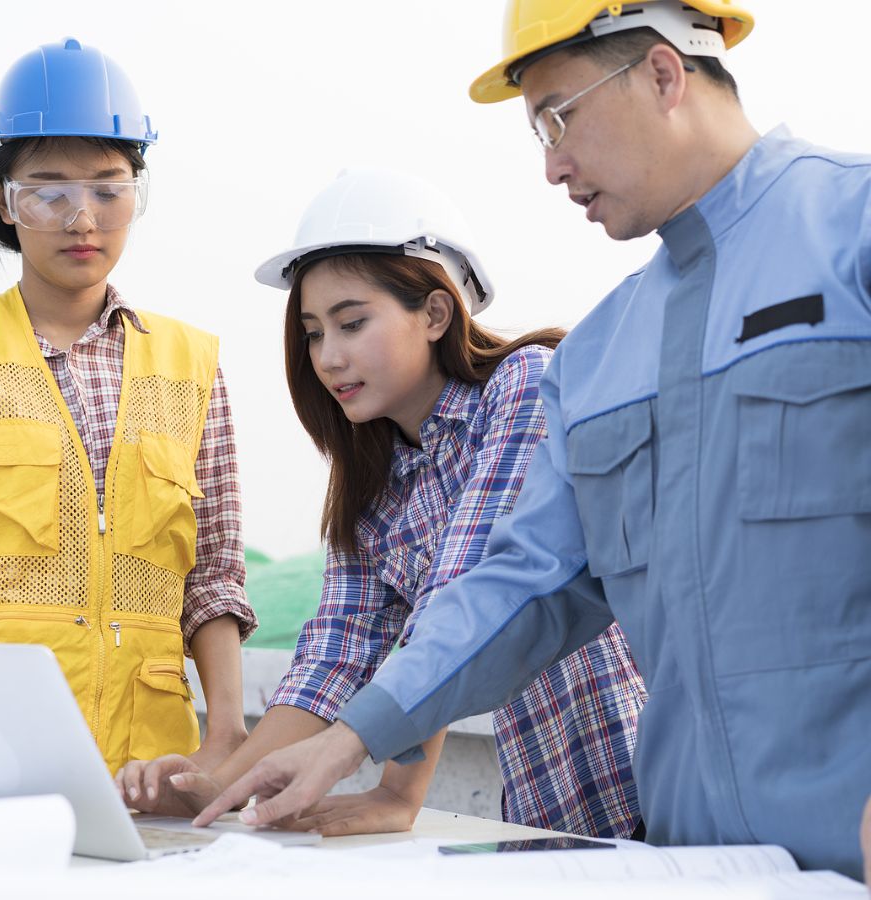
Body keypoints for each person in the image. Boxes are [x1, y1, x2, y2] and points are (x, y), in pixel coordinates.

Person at [195, 0, 871, 880]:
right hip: (690, 866)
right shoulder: (599, 357)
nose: (551, 165)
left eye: (560, 115)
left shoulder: (851, 228)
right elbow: (517, 586)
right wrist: (350, 737)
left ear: (664, 73)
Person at [117, 169, 646, 838]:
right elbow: (335, 655)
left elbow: (467, 599)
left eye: (352, 322)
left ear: (434, 314)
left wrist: (400, 790)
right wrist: (215, 787)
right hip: (546, 811)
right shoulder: (373, 482)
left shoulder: (522, 389)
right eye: (312, 333)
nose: (328, 357)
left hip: (644, 784)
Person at [0, 38, 256, 796]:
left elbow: (216, 576)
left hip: (150, 775)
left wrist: (225, 736)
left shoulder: (193, 366)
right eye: (49, 191)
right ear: (5, 199)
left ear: (138, 191)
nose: (82, 218)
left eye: (108, 188)